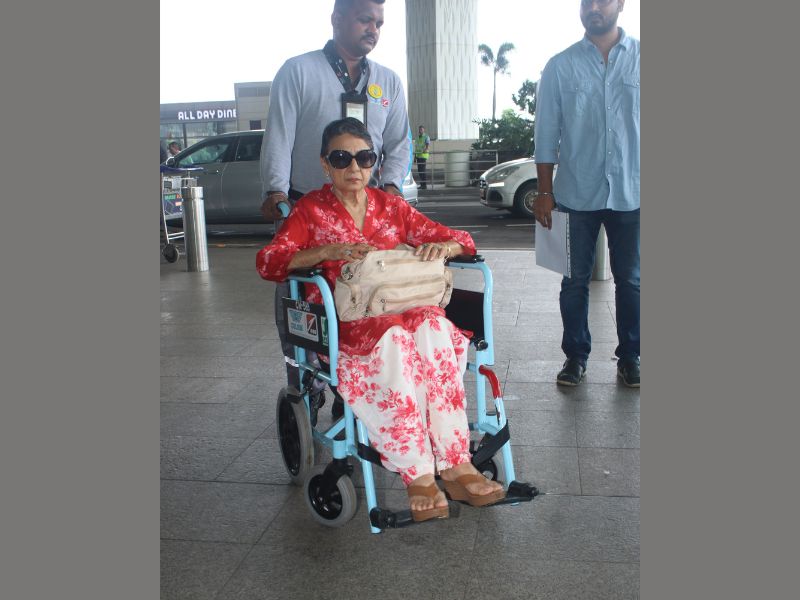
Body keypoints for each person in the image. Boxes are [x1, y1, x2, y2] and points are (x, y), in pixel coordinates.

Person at [256, 118, 505, 521]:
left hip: (403, 309)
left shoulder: (391, 207)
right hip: (346, 322)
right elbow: (269, 261)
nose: (354, 167)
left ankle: (457, 463)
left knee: (434, 325)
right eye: (342, 158)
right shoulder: (311, 211)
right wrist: (325, 252)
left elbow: (463, 240)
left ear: (374, 162)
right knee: (395, 338)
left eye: (364, 157)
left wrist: (444, 246)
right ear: (325, 164)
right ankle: (418, 472)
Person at [259, 0, 412, 390]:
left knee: (368, 299)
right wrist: (276, 190)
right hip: (306, 211)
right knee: (302, 299)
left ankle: (356, 384)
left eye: (379, 23)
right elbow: (279, 136)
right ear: (337, 19)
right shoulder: (299, 71)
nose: (373, 29)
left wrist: (391, 188)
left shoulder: (388, 81)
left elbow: (399, 143)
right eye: (365, 20)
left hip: (366, 214)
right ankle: (305, 382)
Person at [532, 0, 640, 388]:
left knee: (632, 280)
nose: (594, 7)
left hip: (633, 191)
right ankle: (575, 357)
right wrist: (544, 191)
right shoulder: (560, 66)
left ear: (620, 4)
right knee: (573, 281)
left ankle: (631, 356)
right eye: (586, 1)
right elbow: (546, 132)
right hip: (575, 193)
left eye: (603, 0)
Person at [414, 125, 430, 189]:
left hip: (423, 156)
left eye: (421, 129)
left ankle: (424, 185)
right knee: (420, 171)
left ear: (424, 130)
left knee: (422, 170)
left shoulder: (426, 137)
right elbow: (416, 148)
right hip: (418, 156)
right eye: (420, 129)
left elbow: (427, 144)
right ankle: (422, 184)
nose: (420, 130)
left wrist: (426, 149)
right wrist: (415, 157)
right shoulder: (417, 138)